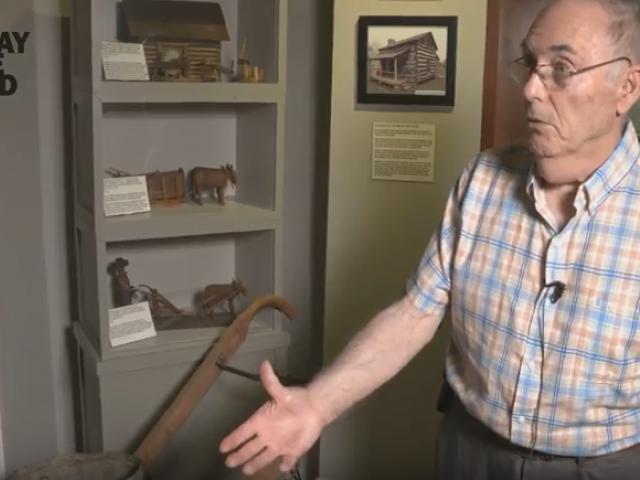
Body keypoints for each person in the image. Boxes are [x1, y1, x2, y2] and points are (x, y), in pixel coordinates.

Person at [219, 0, 640, 478]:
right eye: (529, 63)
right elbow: (415, 312)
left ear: (626, 87)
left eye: (561, 69)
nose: (529, 89)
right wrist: (317, 404)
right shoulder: (481, 181)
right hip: (467, 452)